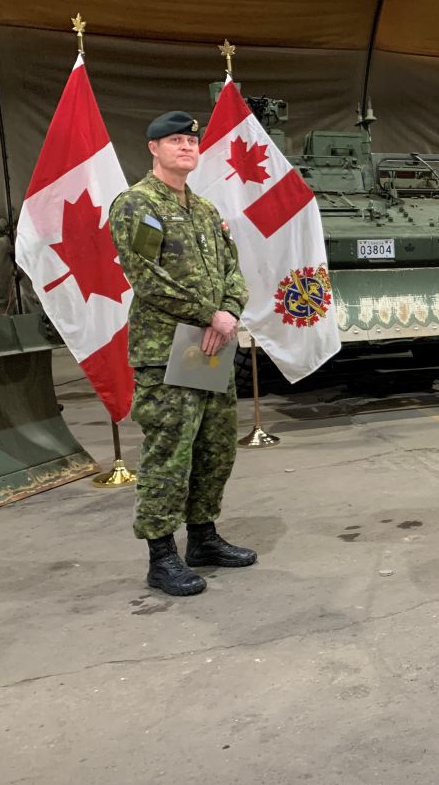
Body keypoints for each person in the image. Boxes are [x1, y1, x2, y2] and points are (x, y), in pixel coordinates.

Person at [109, 111, 256, 597]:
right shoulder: (137, 205)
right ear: (153, 148)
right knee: (169, 453)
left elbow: (233, 269)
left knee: (214, 449)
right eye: (175, 140)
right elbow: (146, 276)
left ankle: (203, 538)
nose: (187, 147)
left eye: (192, 141)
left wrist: (230, 310)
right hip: (165, 348)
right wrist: (207, 314)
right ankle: (161, 555)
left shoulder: (206, 210)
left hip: (209, 346)